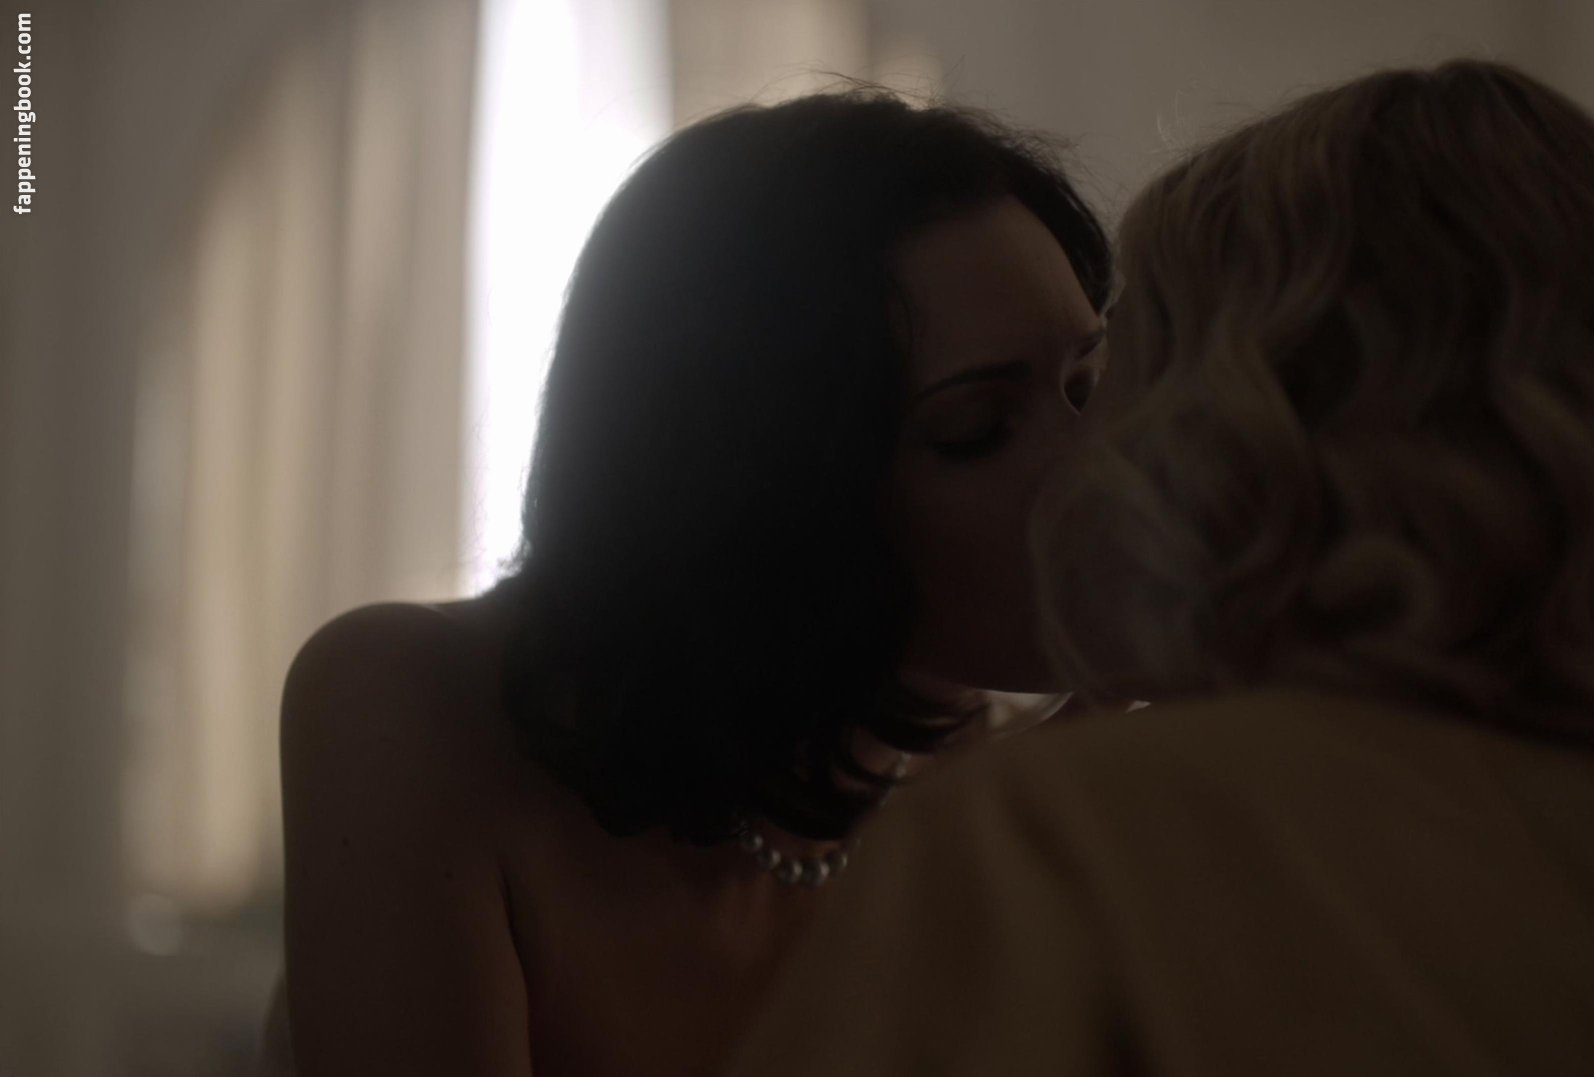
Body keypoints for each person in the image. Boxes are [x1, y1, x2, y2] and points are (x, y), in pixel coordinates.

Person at [722, 61, 1594, 1076]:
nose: (1079, 458)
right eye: (987, 425)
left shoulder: (1049, 846)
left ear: (1235, 424)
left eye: (1104, 374)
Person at [273, 88, 1113, 1077]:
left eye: (1088, 385)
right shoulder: (411, 704)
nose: (1102, 462)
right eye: (978, 429)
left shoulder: (988, 773)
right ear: (762, 482)